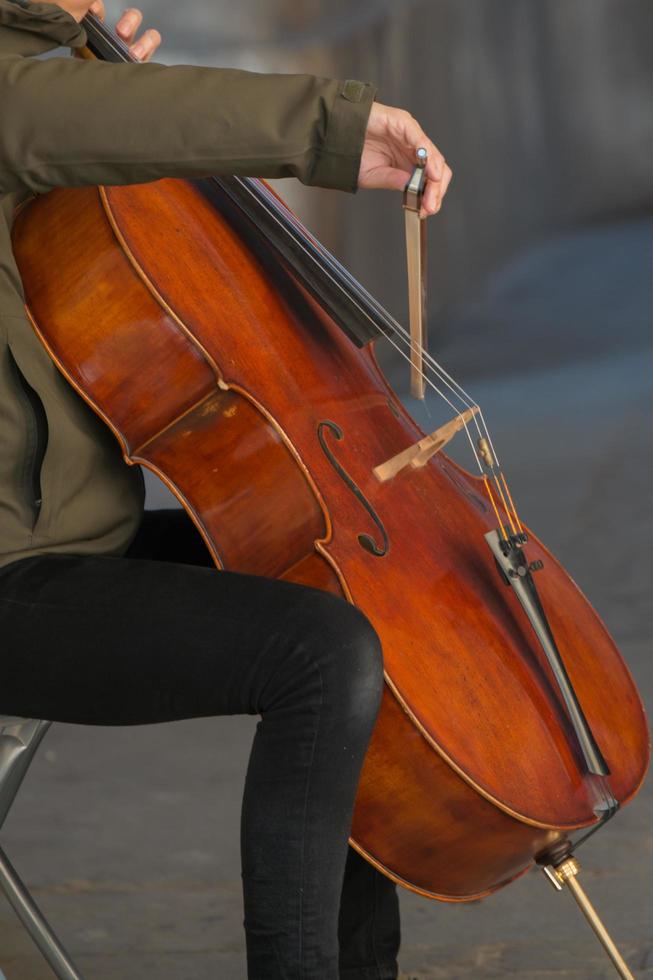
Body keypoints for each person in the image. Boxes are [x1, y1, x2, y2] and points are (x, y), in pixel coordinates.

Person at [0, 1, 452, 976]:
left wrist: (93, 68)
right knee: (319, 655)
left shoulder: (41, 70)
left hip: (66, 539)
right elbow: (93, 119)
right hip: (12, 577)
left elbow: (99, 117)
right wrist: (338, 127)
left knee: (342, 581)